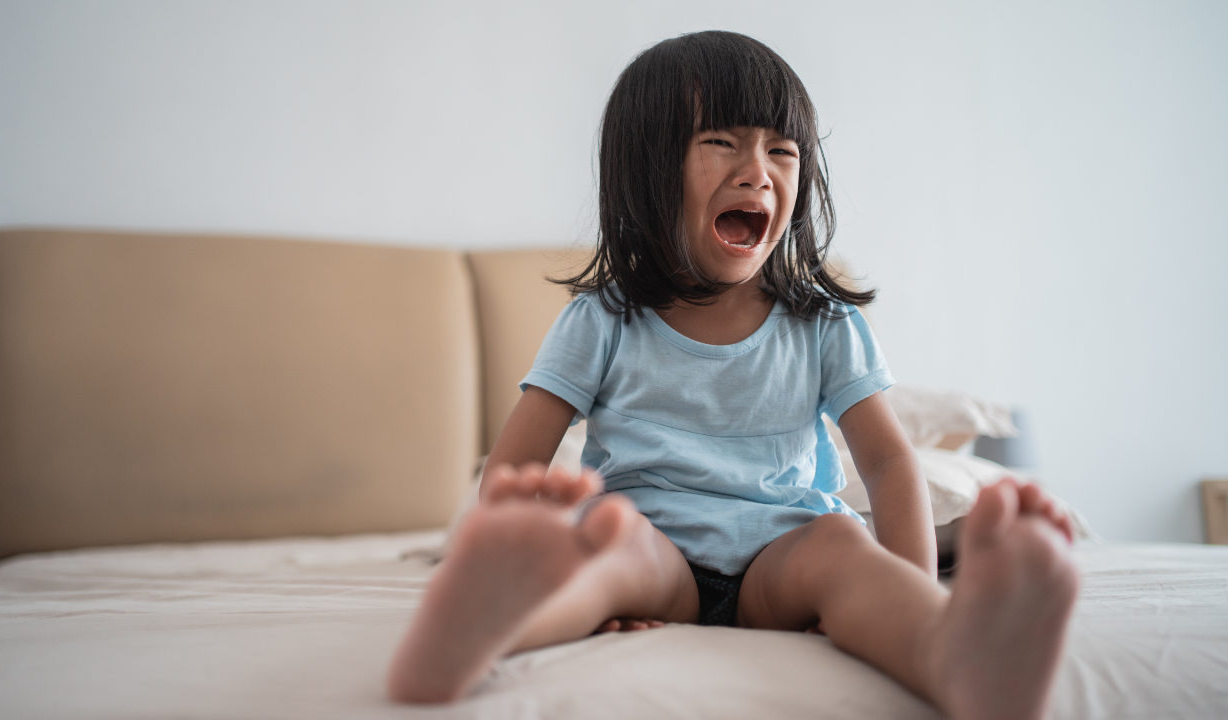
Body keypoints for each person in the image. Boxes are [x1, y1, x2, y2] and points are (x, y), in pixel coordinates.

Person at [387, 30, 1078, 720]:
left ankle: (948, 647)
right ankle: (483, 628)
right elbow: (516, 463)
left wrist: (916, 589)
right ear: (648, 169)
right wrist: (510, 527)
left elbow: (891, 464)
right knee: (607, 543)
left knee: (842, 544)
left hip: (781, 554)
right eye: (721, 141)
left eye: (781, 150)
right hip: (653, 551)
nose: (758, 171)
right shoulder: (601, 320)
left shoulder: (824, 325)